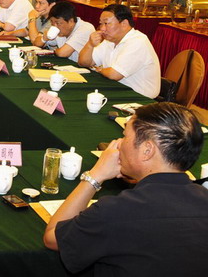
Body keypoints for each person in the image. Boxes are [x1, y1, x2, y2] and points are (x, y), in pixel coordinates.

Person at [43, 102, 208, 276]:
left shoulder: (115, 211)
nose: (118, 144)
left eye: (124, 136)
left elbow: (52, 238)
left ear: (147, 150)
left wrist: (95, 176)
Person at [78, 4, 160, 98]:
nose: (102, 29)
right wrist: (90, 44)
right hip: (117, 90)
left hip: (139, 98)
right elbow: (83, 62)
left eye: (106, 23)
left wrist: (100, 70)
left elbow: (114, 75)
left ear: (124, 24)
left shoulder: (138, 41)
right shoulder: (109, 40)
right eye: (101, 23)